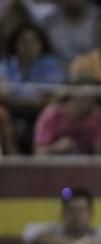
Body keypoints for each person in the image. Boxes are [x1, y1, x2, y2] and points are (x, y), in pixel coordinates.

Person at [0, 22, 66, 153]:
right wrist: (29, 102)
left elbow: (52, 96)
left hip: (41, 111)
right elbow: (2, 94)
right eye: (23, 41)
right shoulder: (6, 65)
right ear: (15, 44)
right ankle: (13, 158)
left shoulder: (51, 65)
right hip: (13, 111)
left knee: (53, 110)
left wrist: (17, 100)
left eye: (33, 41)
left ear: (41, 44)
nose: (28, 46)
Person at [33, 73, 101, 155]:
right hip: (55, 161)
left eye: (93, 96)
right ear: (72, 94)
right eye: (85, 96)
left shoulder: (97, 116)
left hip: (84, 161)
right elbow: (39, 153)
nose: (91, 100)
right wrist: (56, 148)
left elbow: (99, 154)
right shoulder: (51, 114)